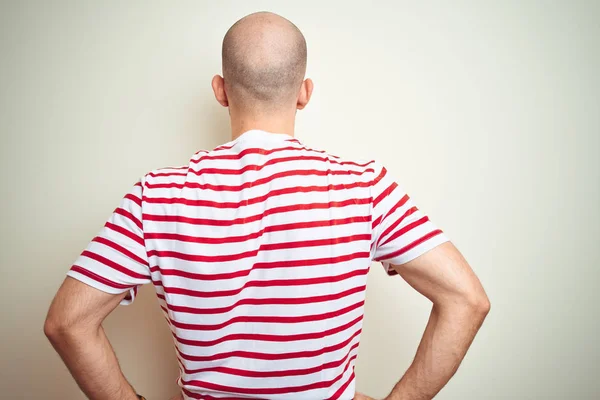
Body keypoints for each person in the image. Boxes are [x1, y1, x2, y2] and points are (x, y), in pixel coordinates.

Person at [44, 11, 490, 400]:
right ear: (304, 92)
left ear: (220, 90)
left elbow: (67, 322)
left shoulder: (156, 195)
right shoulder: (363, 186)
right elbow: (467, 300)